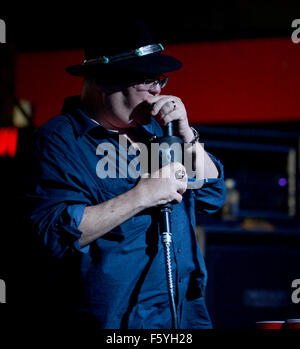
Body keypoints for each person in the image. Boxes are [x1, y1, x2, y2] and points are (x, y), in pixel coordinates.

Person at [26, 21, 226, 330]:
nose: (158, 90)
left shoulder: (157, 131)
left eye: (159, 79)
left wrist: (187, 135)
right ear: (103, 82)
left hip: (183, 316)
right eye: (145, 80)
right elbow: (52, 232)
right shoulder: (61, 140)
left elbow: (213, 193)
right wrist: (142, 196)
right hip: (117, 322)